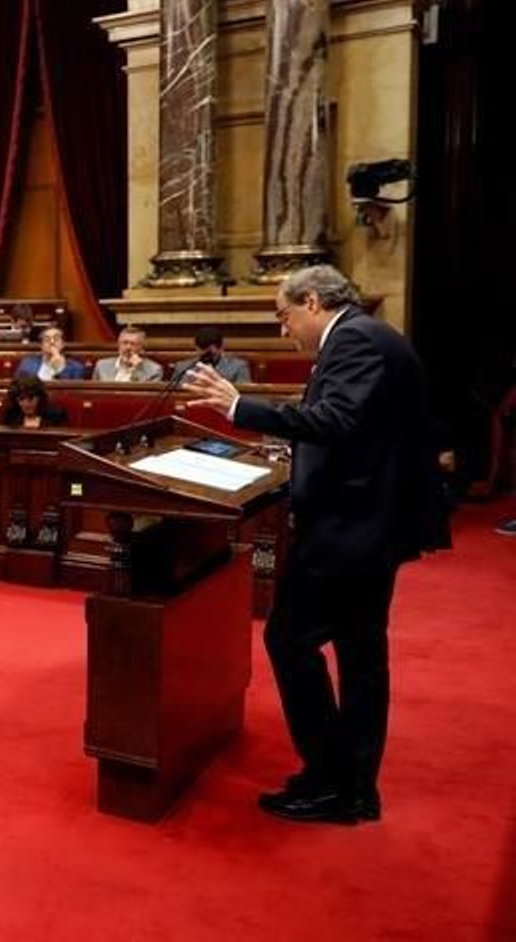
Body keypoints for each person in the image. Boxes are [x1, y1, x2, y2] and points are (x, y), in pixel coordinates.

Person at [183, 264, 450, 825]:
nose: (284, 331)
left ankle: (333, 777)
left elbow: (336, 418)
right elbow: (360, 429)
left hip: (351, 529)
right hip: (372, 523)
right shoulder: (370, 334)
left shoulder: (352, 339)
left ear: (311, 301)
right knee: (360, 655)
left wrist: (238, 408)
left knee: (290, 639)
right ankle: (352, 787)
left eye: (284, 317)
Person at [171, 325, 252, 386]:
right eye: (204, 354)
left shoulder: (238, 367)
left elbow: (243, 396)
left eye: (212, 354)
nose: (208, 358)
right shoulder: (182, 367)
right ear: (196, 348)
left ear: (221, 348)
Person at [15, 326, 87, 381]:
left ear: (63, 344)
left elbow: (74, 393)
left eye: (56, 339)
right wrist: (50, 369)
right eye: (47, 339)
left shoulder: (76, 367)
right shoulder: (27, 364)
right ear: (41, 346)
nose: (52, 342)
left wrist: (57, 368)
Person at [93, 327, 163, 382]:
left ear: (141, 348)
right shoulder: (102, 365)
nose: (128, 347)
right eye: (125, 343)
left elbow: (143, 393)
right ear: (119, 345)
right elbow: (94, 392)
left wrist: (137, 369)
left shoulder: (154, 370)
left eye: (133, 344)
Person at [1, 375, 68, 428]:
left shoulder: (56, 415)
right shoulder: (11, 416)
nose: (26, 404)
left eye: (31, 398)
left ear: (40, 397)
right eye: (21, 399)